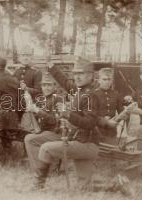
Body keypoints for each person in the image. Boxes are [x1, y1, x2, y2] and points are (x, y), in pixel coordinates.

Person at [24, 58, 99, 190]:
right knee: (85, 187)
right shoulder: (79, 91)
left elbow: (90, 123)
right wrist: (51, 66)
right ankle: (116, 185)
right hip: (81, 140)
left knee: (46, 148)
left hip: (86, 143)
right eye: (75, 74)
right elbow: (64, 82)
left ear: (90, 75)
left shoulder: (90, 95)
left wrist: (68, 114)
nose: (77, 77)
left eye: (82, 74)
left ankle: (37, 185)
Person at [24, 72, 61, 172]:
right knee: (30, 135)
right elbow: (39, 116)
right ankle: (44, 167)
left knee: (29, 139)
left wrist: (37, 111)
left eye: (49, 85)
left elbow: (54, 120)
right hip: (46, 132)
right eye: (44, 85)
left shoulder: (58, 100)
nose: (46, 88)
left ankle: (40, 169)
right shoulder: (43, 99)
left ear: (55, 87)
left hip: (56, 133)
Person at [93, 68, 124, 144]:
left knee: (111, 153)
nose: (107, 82)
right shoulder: (93, 94)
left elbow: (121, 112)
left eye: (109, 79)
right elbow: (91, 115)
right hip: (96, 132)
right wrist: (105, 122)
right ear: (99, 80)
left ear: (112, 81)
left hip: (111, 133)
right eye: (104, 79)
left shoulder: (116, 94)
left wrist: (120, 118)